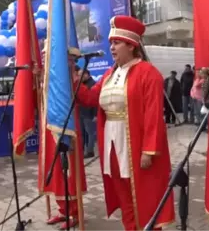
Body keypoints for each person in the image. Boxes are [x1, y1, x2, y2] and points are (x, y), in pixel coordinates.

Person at [74, 15, 175, 230]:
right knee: (124, 198)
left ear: (131, 45)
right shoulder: (110, 74)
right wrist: (73, 81)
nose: (112, 47)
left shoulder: (149, 73)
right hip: (112, 143)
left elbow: (153, 115)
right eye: (111, 43)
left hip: (136, 144)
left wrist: (149, 150)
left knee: (145, 200)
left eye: (116, 42)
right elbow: (91, 99)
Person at [37, 49, 87, 230]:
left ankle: (74, 212)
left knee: (68, 170)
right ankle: (63, 209)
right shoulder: (49, 78)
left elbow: (85, 98)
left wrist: (74, 77)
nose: (45, 58)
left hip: (67, 130)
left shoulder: (71, 79)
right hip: (50, 129)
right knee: (55, 170)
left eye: (47, 55)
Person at [77, 68, 97, 158]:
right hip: (82, 112)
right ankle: (81, 150)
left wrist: (96, 114)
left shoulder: (93, 84)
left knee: (90, 133)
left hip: (89, 114)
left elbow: (96, 101)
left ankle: (90, 151)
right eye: (79, 74)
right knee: (82, 133)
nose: (80, 76)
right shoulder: (81, 84)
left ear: (87, 74)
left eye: (82, 74)